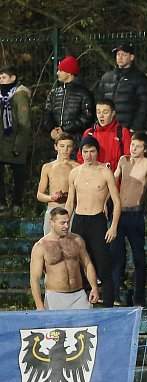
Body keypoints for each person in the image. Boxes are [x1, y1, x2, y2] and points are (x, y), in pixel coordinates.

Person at [65, 136, 121, 307]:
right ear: (81, 153)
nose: (88, 155)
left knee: (103, 266)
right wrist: (65, 223)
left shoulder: (105, 172)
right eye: (85, 152)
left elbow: (117, 202)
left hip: (97, 221)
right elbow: (70, 202)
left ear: (97, 152)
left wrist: (113, 226)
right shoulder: (74, 173)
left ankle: (109, 306)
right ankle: (81, 305)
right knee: (77, 265)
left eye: (92, 151)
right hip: (78, 220)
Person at [110, 131, 147, 306]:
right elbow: (113, 181)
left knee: (138, 257)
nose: (133, 148)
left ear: (145, 149)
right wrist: (105, 201)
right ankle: (114, 294)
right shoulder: (123, 160)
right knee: (116, 255)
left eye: (138, 146)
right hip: (120, 213)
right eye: (132, 145)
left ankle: (139, 296)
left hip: (136, 213)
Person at [30, 207, 99, 310]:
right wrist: (39, 305)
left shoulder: (77, 240)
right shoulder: (41, 246)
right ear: (51, 223)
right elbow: (35, 278)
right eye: (62, 223)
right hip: (55, 297)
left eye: (68, 222)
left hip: (79, 295)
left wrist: (94, 287)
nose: (66, 226)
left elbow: (87, 264)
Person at [96, 43, 147, 131]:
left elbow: (145, 105)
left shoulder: (139, 78)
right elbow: (98, 101)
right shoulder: (106, 77)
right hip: (107, 128)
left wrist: (135, 127)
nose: (120, 57)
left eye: (124, 54)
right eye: (118, 54)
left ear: (131, 57)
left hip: (128, 129)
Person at [43, 56, 94, 144]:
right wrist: (52, 129)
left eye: (61, 70)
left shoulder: (83, 93)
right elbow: (47, 114)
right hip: (57, 141)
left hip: (76, 141)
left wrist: (65, 129)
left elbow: (87, 117)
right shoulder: (54, 93)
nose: (57, 73)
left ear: (70, 73)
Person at [0, 66, 31, 212]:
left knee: (18, 173)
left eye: (4, 77)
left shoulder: (20, 95)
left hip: (14, 141)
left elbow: (24, 122)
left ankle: (17, 203)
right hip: (1, 142)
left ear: (13, 78)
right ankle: (2, 203)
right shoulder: (1, 96)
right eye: (0, 78)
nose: (1, 80)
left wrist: (18, 145)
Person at [36, 133, 77, 235]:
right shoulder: (47, 167)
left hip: (70, 210)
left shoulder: (77, 167)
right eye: (62, 146)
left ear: (73, 147)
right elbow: (39, 195)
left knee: (69, 242)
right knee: (49, 242)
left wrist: (68, 197)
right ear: (56, 146)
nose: (65, 150)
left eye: (68, 146)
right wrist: (52, 198)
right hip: (52, 209)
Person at [80, 99, 131, 173]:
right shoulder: (89, 133)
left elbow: (128, 158)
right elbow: (81, 157)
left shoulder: (122, 132)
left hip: (116, 177)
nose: (101, 115)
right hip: (94, 176)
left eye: (105, 112)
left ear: (113, 113)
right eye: (98, 112)